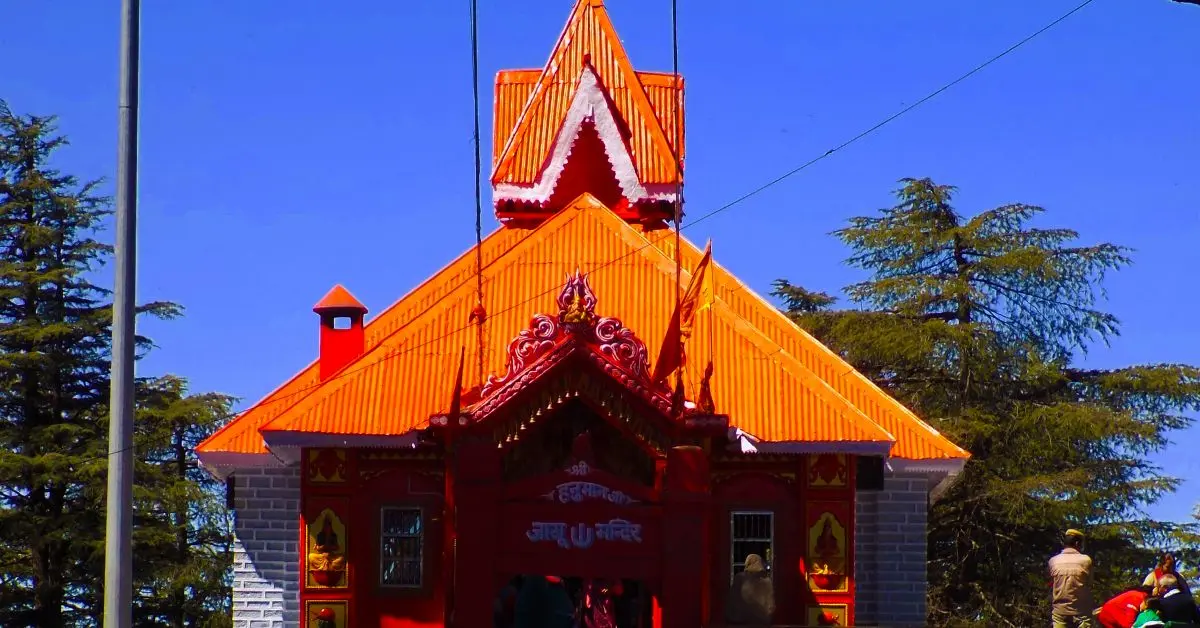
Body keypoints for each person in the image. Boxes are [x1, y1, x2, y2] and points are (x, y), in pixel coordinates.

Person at [1050, 529, 1096, 628]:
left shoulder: (1053, 561)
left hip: (1059, 612)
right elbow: (1090, 583)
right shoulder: (1086, 560)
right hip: (1081, 613)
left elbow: (1051, 583)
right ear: (1077, 543)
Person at [725, 554, 775, 627]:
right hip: (761, 622)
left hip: (740, 621)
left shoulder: (740, 578)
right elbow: (770, 606)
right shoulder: (767, 581)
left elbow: (732, 603)